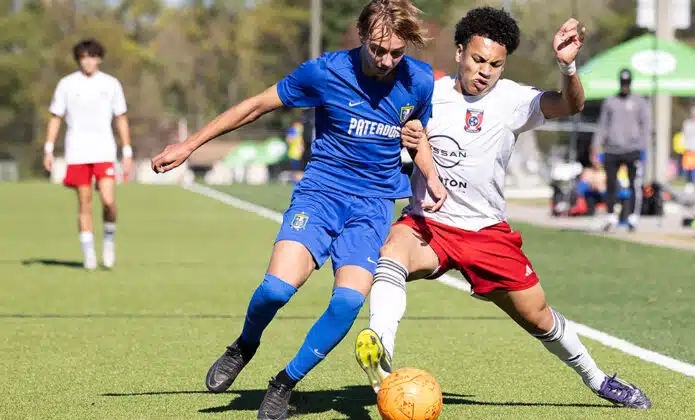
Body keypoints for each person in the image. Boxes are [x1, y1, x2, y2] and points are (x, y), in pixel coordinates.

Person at [150, 1, 445, 418]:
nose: (386, 61)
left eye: (396, 52)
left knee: (346, 303)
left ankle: (284, 383)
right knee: (275, 290)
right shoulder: (324, 72)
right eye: (378, 49)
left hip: (374, 206)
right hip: (321, 195)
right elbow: (255, 106)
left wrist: (430, 176)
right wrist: (189, 145)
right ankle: (244, 345)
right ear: (361, 37)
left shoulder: (418, 80)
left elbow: (419, 135)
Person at [353, 7, 651, 410]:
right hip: (431, 223)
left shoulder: (513, 99)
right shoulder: (429, 92)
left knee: (539, 316)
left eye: (495, 64)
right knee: (393, 250)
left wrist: (568, 67)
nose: (485, 71)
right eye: (478, 60)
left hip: (486, 233)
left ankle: (599, 381)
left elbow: (571, 105)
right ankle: (381, 350)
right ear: (459, 52)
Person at [43, 39, 133, 271]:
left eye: (92, 56)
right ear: (78, 60)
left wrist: (127, 151)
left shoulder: (111, 84)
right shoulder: (66, 85)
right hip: (78, 152)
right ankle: (89, 254)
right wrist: (49, 148)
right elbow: (56, 117)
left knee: (108, 201)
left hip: (104, 150)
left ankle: (109, 242)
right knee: (84, 203)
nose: (88, 61)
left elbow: (120, 117)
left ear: (99, 59)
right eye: (84, 57)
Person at [591, 68, 651, 232]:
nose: (625, 86)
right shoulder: (610, 101)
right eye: (622, 83)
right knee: (611, 184)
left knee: (634, 184)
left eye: (627, 83)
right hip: (612, 149)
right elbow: (602, 126)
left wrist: (643, 147)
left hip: (633, 149)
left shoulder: (639, 102)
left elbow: (645, 126)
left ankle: (633, 217)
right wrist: (596, 147)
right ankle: (611, 216)